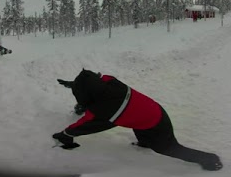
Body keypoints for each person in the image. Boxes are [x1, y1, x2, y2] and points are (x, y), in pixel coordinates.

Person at [54, 69, 223, 171]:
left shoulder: (106, 112)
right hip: (150, 111)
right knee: (135, 121)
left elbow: (85, 125)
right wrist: (75, 84)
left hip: (155, 122)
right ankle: (144, 143)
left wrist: (65, 134)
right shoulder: (110, 82)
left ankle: (209, 159)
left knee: (169, 148)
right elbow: (96, 80)